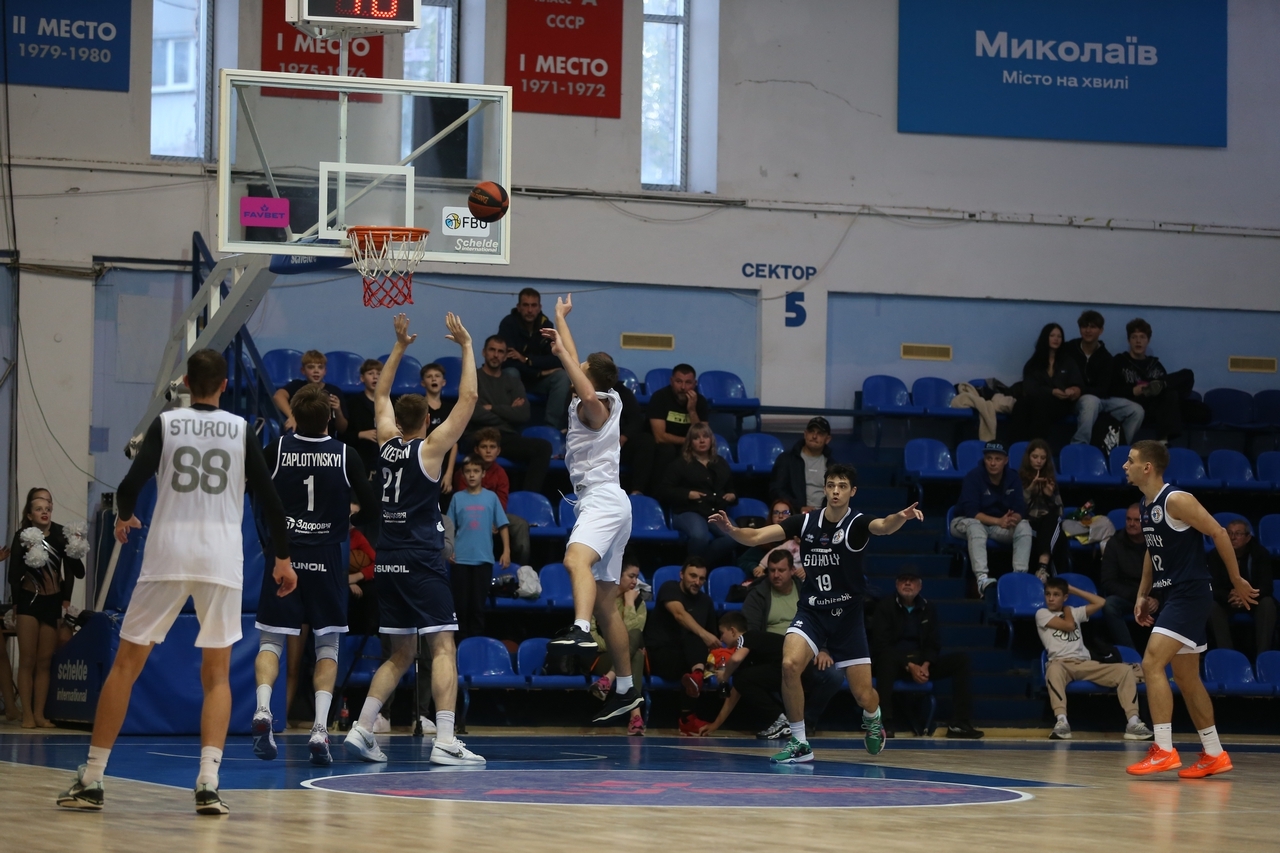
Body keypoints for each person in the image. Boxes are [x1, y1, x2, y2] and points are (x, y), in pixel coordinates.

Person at [57, 349, 295, 814]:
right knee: (218, 674)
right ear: (225, 385)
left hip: (167, 554)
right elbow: (270, 500)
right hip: (221, 558)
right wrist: (282, 558)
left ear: (186, 382)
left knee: (126, 666)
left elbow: (129, 486)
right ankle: (208, 782)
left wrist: (125, 517)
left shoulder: (166, 424)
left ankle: (92, 778)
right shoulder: (241, 429)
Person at [343, 312, 485, 767]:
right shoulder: (431, 450)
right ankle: (445, 739)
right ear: (426, 418)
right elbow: (470, 397)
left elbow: (381, 394)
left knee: (401, 652)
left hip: (388, 560)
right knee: (442, 646)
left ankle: (363, 727)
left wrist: (399, 346)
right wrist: (467, 346)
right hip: (422, 558)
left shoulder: (386, 443)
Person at [710, 463, 924, 764]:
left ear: (852, 491)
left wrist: (901, 517)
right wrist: (731, 530)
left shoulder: (857, 523)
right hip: (812, 611)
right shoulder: (806, 522)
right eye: (831, 485)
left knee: (864, 695)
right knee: (789, 665)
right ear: (824, 489)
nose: (836, 491)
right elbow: (757, 536)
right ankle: (799, 742)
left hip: (847, 618)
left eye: (842, 486)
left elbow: (884, 526)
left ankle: (873, 717)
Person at [251, 385, 377, 766]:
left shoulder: (276, 450)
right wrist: (346, 515)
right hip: (327, 557)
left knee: (271, 640)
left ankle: (262, 709)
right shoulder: (345, 454)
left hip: (285, 553)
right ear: (329, 418)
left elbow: (256, 495)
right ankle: (320, 729)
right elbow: (371, 507)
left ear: (295, 416)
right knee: (327, 646)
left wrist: (270, 539)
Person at [1123, 440, 1259, 778]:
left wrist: (1236, 579)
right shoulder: (1145, 505)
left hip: (1190, 594)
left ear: (1147, 467)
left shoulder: (1177, 499)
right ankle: (1214, 753)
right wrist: (1142, 594)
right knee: (1185, 677)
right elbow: (1151, 551)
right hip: (1174, 595)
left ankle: (1164, 749)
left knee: (1152, 662)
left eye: (1130, 460)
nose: (1125, 466)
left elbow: (1218, 532)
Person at [539, 295, 642, 724]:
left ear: (590, 379)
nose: (575, 366)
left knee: (573, 560)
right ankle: (626, 688)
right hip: (611, 502)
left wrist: (561, 355)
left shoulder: (594, 406)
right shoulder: (604, 394)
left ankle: (580, 630)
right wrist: (561, 320)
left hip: (601, 499)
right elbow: (579, 365)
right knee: (605, 602)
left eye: (580, 368)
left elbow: (581, 381)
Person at [869, 570, 984, 739]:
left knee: (962, 660)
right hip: (895, 662)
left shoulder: (928, 607)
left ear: (920, 586)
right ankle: (884, 722)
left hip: (921, 662)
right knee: (886, 660)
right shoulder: (885, 607)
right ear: (896, 584)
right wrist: (909, 666)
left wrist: (926, 664)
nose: (907, 583)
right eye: (903, 580)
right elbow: (881, 644)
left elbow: (933, 642)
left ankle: (959, 724)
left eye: (912, 580)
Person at [1036, 577, 1152, 742]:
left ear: (1065, 597)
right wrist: (1067, 609)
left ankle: (1133, 722)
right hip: (1061, 664)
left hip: (1085, 663)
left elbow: (1101, 602)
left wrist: (1073, 590)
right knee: (1052, 669)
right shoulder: (1042, 614)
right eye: (1048, 594)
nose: (1051, 598)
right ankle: (1062, 722)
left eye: (1056, 594)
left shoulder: (1074, 612)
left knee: (1125, 670)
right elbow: (1069, 626)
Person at [7, 488, 86, 728]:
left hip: (52, 603)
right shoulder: (23, 536)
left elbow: (78, 573)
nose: (45, 512)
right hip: (29, 602)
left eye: (48, 508)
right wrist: (29, 551)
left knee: (44, 662)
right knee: (28, 660)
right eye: (39, 509)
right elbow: (13, 577)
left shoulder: (61, 535)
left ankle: (40, 714)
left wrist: (74, 548)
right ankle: (27, 714)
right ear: (29, 514)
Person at [741, 548, 841, 736]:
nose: (776, 575)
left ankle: (806, 720)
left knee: (834, 675)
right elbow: (752, 633)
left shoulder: (807, 591)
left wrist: (823, 649)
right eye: (772, 570)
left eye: (781, 570)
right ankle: (786, 720)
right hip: (773, 657)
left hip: (806, 652)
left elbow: (822, 622)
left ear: (792, 570)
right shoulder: (757, 594)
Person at [468, 335, 552, 494]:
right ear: (484, 352)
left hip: (505, 437)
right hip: (478, 435)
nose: (496, 355)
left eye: (500, 351)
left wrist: (491, 408)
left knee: (543, 448)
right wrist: (508, 411)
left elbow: (523, 414)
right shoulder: (473, 378)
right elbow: (473, 413)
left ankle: (528, 499)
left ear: (506, 356)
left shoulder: (513, 382)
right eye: (492, 350)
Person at [643, 557, 718, 731]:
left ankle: (695, 680)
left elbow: (712, 638)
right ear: (682, 575)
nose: (697, 582)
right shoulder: (669, 588)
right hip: (662, 655)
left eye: (701, 578)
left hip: (689, 660)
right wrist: (703, 634)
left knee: (693, 664)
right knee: (694, 634)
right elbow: (679, 615)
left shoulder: (706, 602)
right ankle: (697, 678)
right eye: (693, 576)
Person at [950, 442, 1033, 595]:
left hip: (997, 526)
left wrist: (1013, 518)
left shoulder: (1013, 477)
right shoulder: (973, 477)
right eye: (989, 458)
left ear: (1006, 460)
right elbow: (972, 512)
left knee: (1024, 525)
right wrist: (999, 521)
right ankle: (982, 579)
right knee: (976, 526)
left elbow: (1020, 508)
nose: (993, 463)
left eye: (997, 459)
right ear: (984, 459)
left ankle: (1019, 578)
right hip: (964, 521)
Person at [694, 611, 788, 737]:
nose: (721, 639)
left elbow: (735, 659)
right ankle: (782, 720)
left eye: (722, 633)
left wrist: (725, 676)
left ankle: (781, 720)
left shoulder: (747, 637)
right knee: (742, 680)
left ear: (733, 631)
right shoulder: (750, 653)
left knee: (741, 678)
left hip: (794, 671)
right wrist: (715, 725)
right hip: (790, 673)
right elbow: (736, 692)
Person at [447, 455, 510, 641]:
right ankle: (460, 645)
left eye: (476, 471)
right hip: (460, 560)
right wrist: (449, 549)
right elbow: (449, 527)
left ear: (483, 474)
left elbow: (503, 525)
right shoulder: (457, 498)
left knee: (478, 607)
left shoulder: (491, 498)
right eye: (468, 471)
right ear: (463, 475)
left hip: (483, 560)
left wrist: (506, 550)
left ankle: (475, 644)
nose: (472, 475)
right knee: (460, 606)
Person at [658, 422, 738, 566]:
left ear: (711, 440)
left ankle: (699, 566)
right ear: (690, 442)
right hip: (688, 510)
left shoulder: (721, 463)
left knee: (734, 536)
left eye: (705, 437)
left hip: (715, 510)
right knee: (700, 536)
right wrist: (688, 494)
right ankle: (694, 568)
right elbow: (664, 490)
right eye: (696, 438)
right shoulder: (680, 464)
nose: (701, 441)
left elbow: (731, 488)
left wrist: (732, 495)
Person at [1061, 310, 1144, 445]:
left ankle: (1118, 447)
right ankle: (1079, 445)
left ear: (1101, 330)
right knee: (1090, 401)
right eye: (1084, 326)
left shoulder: (1106, 357)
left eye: (1093, 327)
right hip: (1074, 400)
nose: (1088, 330)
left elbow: (1103, 389)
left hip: (1101, 399)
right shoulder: (1068, 349)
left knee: (1136, 411)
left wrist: (1081, 390)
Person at [452, 427, 530, 567]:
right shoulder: (466, 471)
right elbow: (465, 501)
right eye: (484, 447)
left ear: (498, 451)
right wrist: (486, 520)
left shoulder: (501, 473)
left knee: (520, 524)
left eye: (492, 447)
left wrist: (494, 520)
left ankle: (520, 569)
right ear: (476, 450)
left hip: (495, 515)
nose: (488, 451)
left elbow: (502, 502)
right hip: (471, 513)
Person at [589, 555, 647, 736]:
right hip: (599, 656)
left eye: (637, 577)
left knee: (636, 651)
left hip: (622, 658)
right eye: (631, 576)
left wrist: (629, 604)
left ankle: (609, 679)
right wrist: (615, 645)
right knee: (634, 653)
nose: (635, 582)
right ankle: (636, 717)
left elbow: (636, 633)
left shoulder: (638, 602)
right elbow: (591, 637)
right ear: (618, 576)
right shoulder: (598, 598)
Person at [498, 287, 571, 430]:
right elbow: (507, 361)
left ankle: (551, 429)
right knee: (511, 372)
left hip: (538, 381)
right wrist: (539, 372)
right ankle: (510, 426)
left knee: (562, 376)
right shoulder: (508, 324)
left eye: (533, 305)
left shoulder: (546, 325)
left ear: (539, 307)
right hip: (518, 379)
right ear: (519, 307)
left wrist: (526, 359)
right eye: (526, 305)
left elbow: (556, 360)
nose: (530, 310)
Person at [634, 364, 711, 495]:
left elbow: (702, 435)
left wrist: (692, 410)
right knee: (666, 450)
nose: (683, 387)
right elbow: (660, 437)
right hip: (659, 446)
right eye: (678, 381)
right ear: (671, 381)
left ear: (695, 384)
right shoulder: (660, 397)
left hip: (686, 446)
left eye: (688, 383)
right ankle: (656, 495)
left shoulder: (700, 401)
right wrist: (690, 441)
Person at [1207, 520, 1275, 655]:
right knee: (1211, 606)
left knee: (1268, 604)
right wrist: (1230, 596)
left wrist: (1245, 595)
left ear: (1248, 537)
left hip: (1253, 599)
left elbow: (1266, 586)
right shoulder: (1215, 555)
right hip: (1227, 599)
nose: (1233, 538)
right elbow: (1211, 586)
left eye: (1238, 534)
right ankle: (1227, 654)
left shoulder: (1260, 554)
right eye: (1229, 533)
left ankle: (1263, 655)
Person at [1111, 319, 1183, 441]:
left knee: (1185, 376)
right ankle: (1163, 440)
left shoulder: (1155, 365)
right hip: (1133, 404)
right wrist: (1133, 391)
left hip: (1154, 406)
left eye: (1142, 337)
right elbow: (1111, 390)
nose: (1138, 341)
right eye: (1134, 337)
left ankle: (1158, 385)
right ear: (1129, 340)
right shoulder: (1119, 361)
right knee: (1170, 397)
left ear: (1148, 340)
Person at [1011, 323, 1083, 443]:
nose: (1056, 339)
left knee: (1040, 406)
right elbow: (1029, 387)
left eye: (1059, 336)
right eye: (1052, 335)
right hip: (1037, 400)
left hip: (1061, 404)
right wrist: (1052, 391)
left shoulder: (1068, 361)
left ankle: (1038, 447)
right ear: (1045, 337)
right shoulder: (1034, 363)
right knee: (1021, 404)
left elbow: (1078, 385)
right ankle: (1016, 446)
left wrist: (1073, 391)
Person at [1019, 439, 1068, 580]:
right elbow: (1016, 509)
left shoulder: (1050, 480)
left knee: (1052, 520)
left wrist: (1049, 496)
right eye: (1035, 457)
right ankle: (1051, 574)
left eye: (1043, 458)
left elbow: (1060, 512)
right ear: (1028, 457)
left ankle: (1042, 568)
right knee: (1060, 537)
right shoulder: (1018, 479)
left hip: (1047, 523)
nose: (1039, 461)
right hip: (1027, 522)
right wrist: (1029, 491)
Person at [1099, 503, 1147, 649]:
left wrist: (1156, 598)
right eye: (1128, 519)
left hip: (1152, 597)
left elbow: (1166, 576)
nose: (1131, 524)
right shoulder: (1114, 544)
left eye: (1136, 520)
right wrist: (1138, 597)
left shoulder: (1157, 543)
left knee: (1180, 599)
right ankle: (1131, 655)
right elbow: (1108, 581)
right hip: (1128, 596)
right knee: (1109, 605)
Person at [274, 349, 348, 437]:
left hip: (325, 440)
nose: (316, 371)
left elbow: (342, 429)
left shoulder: (334, 391)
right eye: (311, 367)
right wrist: (293, 416)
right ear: (303, 370)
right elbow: (278, 396)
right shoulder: (297, 385)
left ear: (325, 371)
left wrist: (338, 410)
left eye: (320, 367)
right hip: (300, 437)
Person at [769, 416, 832, 512]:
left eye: (820, 433)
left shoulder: (832, 465)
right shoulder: (786, 459)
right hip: (794, 514)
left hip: (825, 515)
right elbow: (776, 491)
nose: (814, 436)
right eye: (811, 431)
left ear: (827, 439)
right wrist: (799, 508)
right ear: (805, 434)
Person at [737, 499, 802, 581]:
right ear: (771, 516)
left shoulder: (799, 539)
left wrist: (807, 570)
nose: (780, 516)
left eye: (785, 512)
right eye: (776, 512)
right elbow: (743, 561)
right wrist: (754, 568)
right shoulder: (763, 540)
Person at [421, 362, 458, 496]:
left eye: (437, 376)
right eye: (429, 376)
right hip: (424, 461)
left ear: (443, 382)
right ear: (423, 383)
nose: (433, 379)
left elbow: (454, 443)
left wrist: (449, 474)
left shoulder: (450, 409)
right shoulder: (419, 407)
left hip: (444, 463)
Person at [343, 358, 383, 476]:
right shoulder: (353, 404)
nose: (375, 377)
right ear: (362, 378)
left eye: (379, 374)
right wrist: (360, 434)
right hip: (361, 459)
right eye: (370, 373)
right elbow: (343, 435)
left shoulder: (392, 403)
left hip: (384, 460)